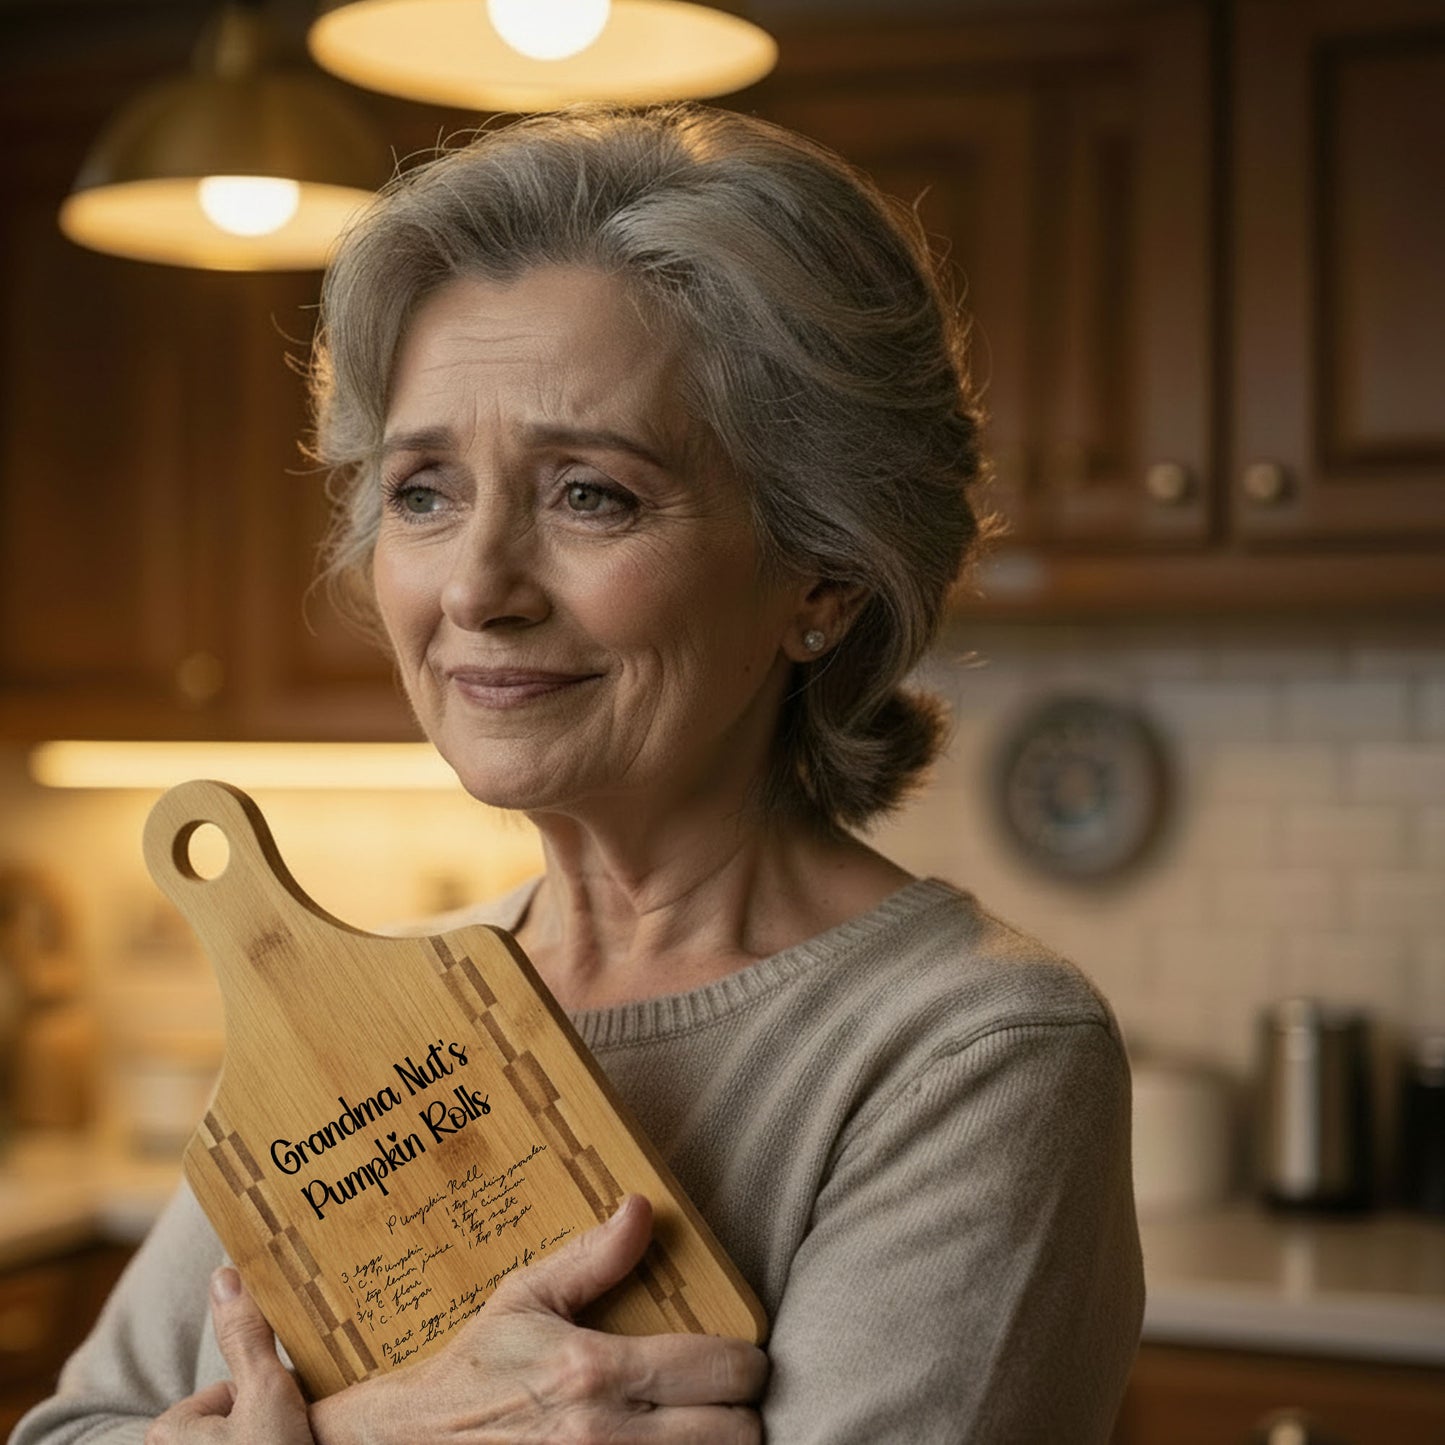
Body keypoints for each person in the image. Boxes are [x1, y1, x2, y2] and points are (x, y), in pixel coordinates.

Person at [16, 103, 1143, 1445]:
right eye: (424, 491)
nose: (476, 588)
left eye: (589, 493)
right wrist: (382, 1430)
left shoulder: (967, 1055)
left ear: (821, 575)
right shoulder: (371, 1018)